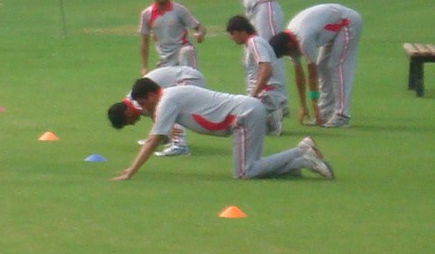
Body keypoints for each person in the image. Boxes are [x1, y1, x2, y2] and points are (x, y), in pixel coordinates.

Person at [107, 78, 332, 182]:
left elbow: (153, 141)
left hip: (243, 116)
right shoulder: (169, 97)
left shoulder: (167, 100)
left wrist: (131, 171)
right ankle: (295, 163)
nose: (144, 110)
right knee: (252, 167)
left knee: (244, 172)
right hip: (247, 113)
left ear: (151, 95)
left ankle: (301, 153)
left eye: (144, 104)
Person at [269, 3, 364, 128]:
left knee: (337, 65)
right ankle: (325, 111)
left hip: (347, 23)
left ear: (289, 46)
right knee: (323, 68)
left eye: (287, 53)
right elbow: (299, 76)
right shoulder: (289, 39)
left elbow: (312, 75)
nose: (290, 56)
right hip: (332, 29)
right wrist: (303, 106)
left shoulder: (304, 39)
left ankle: (342, 115)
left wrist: (314, 107)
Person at [224, 15, 288, 134]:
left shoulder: (255, 42)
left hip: (267, 93)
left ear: (242, 31)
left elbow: (266, 70)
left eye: (233, 33)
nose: (231, 38)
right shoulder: (252, 43)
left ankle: (271, 114)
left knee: (239, 123)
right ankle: (268, 116)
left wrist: (253, 95)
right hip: (265, 93)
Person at [127, 63, 205, 157]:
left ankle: (179, 145)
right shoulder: (134, 97)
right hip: (185, 77)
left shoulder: (136, 102)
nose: (132, 123)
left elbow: (155, 112)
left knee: (174, 107)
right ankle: (163, 137)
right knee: (168, 107)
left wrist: (159, 132)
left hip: (190, 78)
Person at [138, 0, 205, 73]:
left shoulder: (179, 10)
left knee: (189, 76)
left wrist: (200, 34)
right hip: (165, 58)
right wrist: (144, 66)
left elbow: (199, 27)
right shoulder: (147, 14)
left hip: (183, 52)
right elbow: (144, 42)